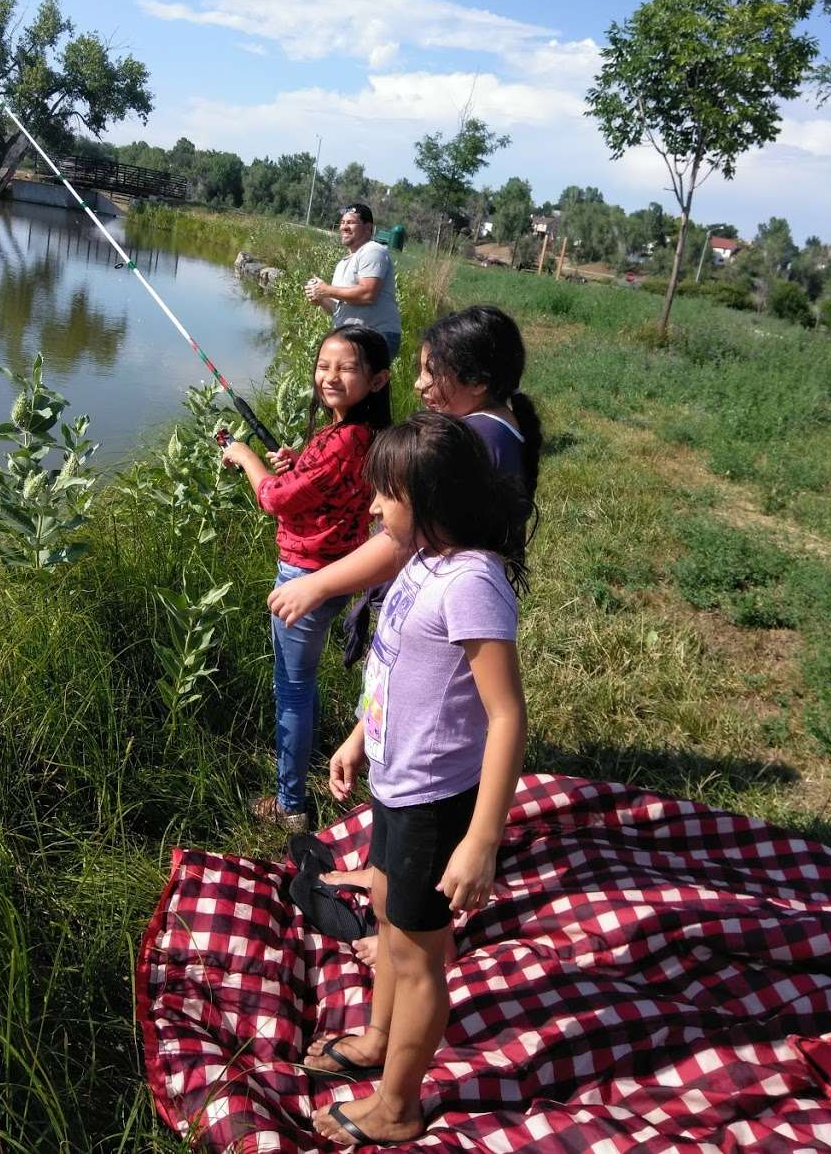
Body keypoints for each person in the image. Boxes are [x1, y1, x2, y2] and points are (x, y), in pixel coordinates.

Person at [271, 303, 541, 962]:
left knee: (429, 768)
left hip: (442, 631)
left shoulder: (479, 442)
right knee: (403, 762)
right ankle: (392, 882)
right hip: (431, 633)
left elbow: (398, 540)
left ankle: (412, 924)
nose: (418, 386)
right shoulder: (491, 425)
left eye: (432, 372)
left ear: (473, 378)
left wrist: (319, 581)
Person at [306, 412, 529, 1148]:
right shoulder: (423, 561)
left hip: (437, 804)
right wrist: (357, 740)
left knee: (417, 954)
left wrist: (480, 842)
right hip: (397, 786)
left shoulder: (472, 581)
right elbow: (396, 667)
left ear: (430, 496)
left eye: (386, 494)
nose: (372, 507)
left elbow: (505, 717)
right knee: (385, 915)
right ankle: (375, 1039)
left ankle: (397, 1105)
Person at [221, 326, 391, 833]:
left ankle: (290, 805)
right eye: (324, 366)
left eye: (346, 368)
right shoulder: (360, 433)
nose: (330, 377)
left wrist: (246, 457)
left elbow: (274, 499)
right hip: (337, 569)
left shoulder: (344, 439)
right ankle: (310, 753)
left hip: (306, 577)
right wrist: (297, 466)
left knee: (290, 688)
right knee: (304, 678)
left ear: (378, 380)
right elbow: (326, 485)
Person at [305, 203, 403, 361]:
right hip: (353, 337)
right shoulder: (342, 264)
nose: (344, 227)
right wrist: (321, 298)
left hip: (375, 335)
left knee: (360, 385)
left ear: (368, 228)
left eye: (350, 222)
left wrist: (327, 290)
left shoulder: (373, 250)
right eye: (342, 223)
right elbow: (338, 309)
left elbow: (367, 294)